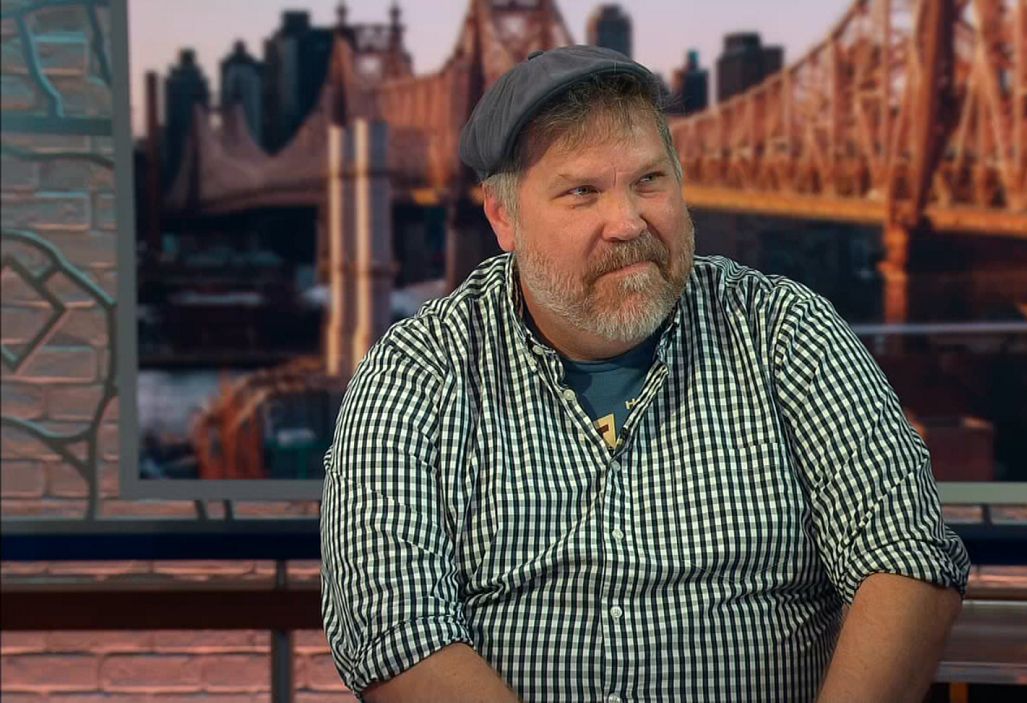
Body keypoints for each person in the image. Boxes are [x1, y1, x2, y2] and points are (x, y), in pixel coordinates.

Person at [320, 45, 970, 703]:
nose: (628, 222)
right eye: (582, 192)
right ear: (502, 217)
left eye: (650, 180)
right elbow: (393, 628)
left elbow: (905, 553)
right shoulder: (416, 371)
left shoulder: (786, 331)